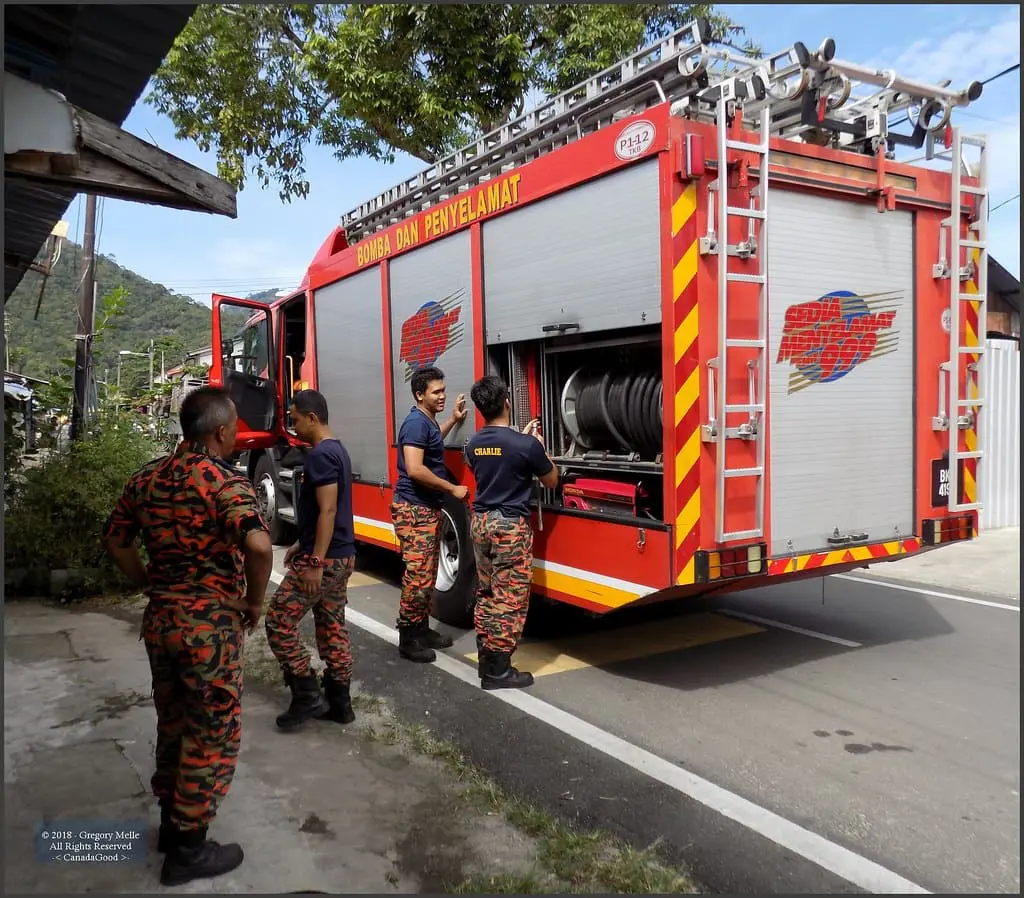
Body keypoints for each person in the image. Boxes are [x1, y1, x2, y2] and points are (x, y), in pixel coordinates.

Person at [102, 386, 274, 887]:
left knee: (173, 724)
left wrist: (148, 583)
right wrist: (253, 602)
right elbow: (260, 546)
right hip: (209, 633)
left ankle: (169, 825)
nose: (239, 432)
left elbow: (116, 540)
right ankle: (189, 849)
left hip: (162, 624)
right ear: (221, 431)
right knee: (211, 734)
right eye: (237, 425)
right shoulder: (223, 483)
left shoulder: (147, 479)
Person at [265, 389, 358, 730]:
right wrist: (302, 545)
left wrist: (315, 561)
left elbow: (328, 509)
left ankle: (306, 693)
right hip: (340, 554)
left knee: (277, 621)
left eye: (295, 419)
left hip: (327, 559)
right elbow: (325, 509)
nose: (293, 425)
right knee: (332, 626)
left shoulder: (320, 455)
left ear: (313, 418)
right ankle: (340, 703)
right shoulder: (337, 450)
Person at [464, 375, 560, 689]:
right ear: (507, 402)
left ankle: (486, 657)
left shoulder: (474, 443)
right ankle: (498, 670)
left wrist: (523, 440)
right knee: (510, 598)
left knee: (488, 591)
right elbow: (551, 481)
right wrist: (540, 449)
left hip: (481, 523)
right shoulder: (526, 446)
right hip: (510, 527)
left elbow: (495, 456)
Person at [391, 365, 468, 663]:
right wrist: (452, 488)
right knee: (417, 578)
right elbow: (415, 468)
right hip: (415, 511)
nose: (442, 396)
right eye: (436, 392)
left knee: (426, 574)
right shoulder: (414, 424)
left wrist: (452, 420)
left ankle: (422, 629)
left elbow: (433, 440)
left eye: (443, 390)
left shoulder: (427, 421)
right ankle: (408, 638)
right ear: (419, 394)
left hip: (426, 510)